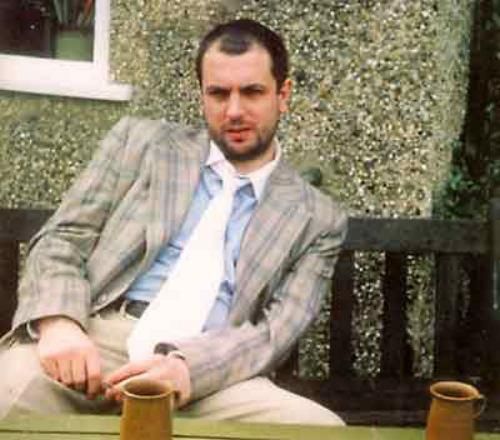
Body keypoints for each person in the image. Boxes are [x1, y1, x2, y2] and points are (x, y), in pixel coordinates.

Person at [0, 18, 347, 425]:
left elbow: (277, 331)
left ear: (282, 95)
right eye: (218, 93)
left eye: (252, 92)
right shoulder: (140, 144)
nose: (234, 111)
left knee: (321, 430)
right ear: (202, 95)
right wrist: (59, 322)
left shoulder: (318, 218)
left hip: (212, 372)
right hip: (99, 342)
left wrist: (189, 369)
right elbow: (63, 237)